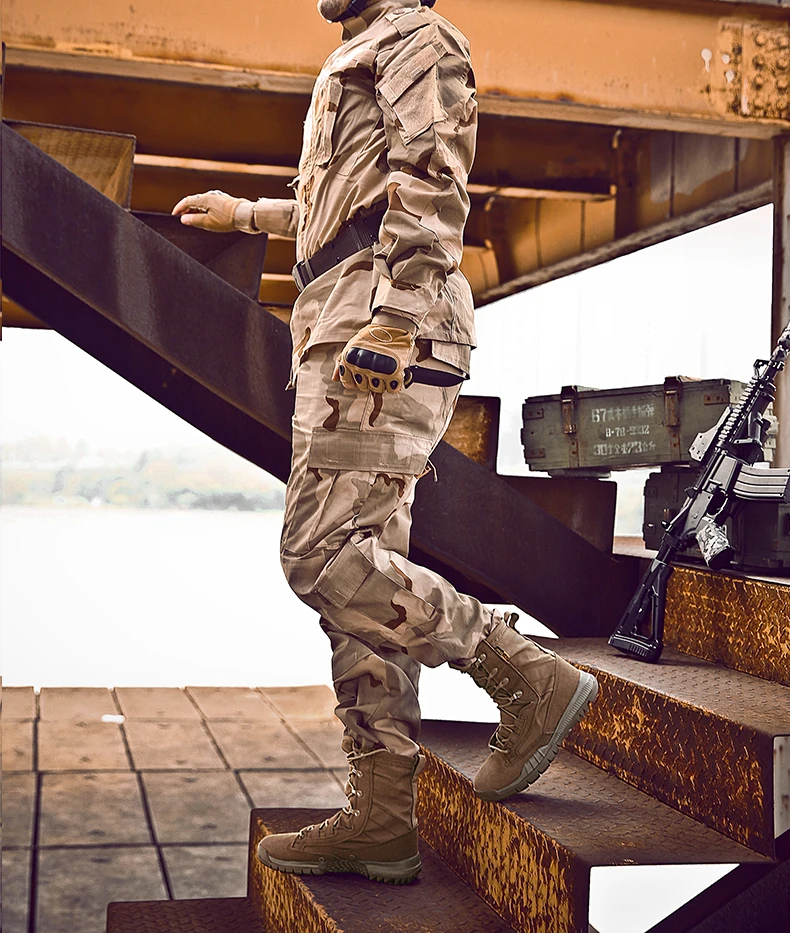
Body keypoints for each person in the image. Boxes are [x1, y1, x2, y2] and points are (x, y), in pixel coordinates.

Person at [172, 0, 598, 885]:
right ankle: (383, 818)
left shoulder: (417, 39)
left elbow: (433, 175)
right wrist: (246, 214)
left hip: (379, 325)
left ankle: (523, 673)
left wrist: (397, 319)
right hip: (346, 316)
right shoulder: (364, 52)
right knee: (363, 577)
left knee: (318, 554)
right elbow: (344, 205)